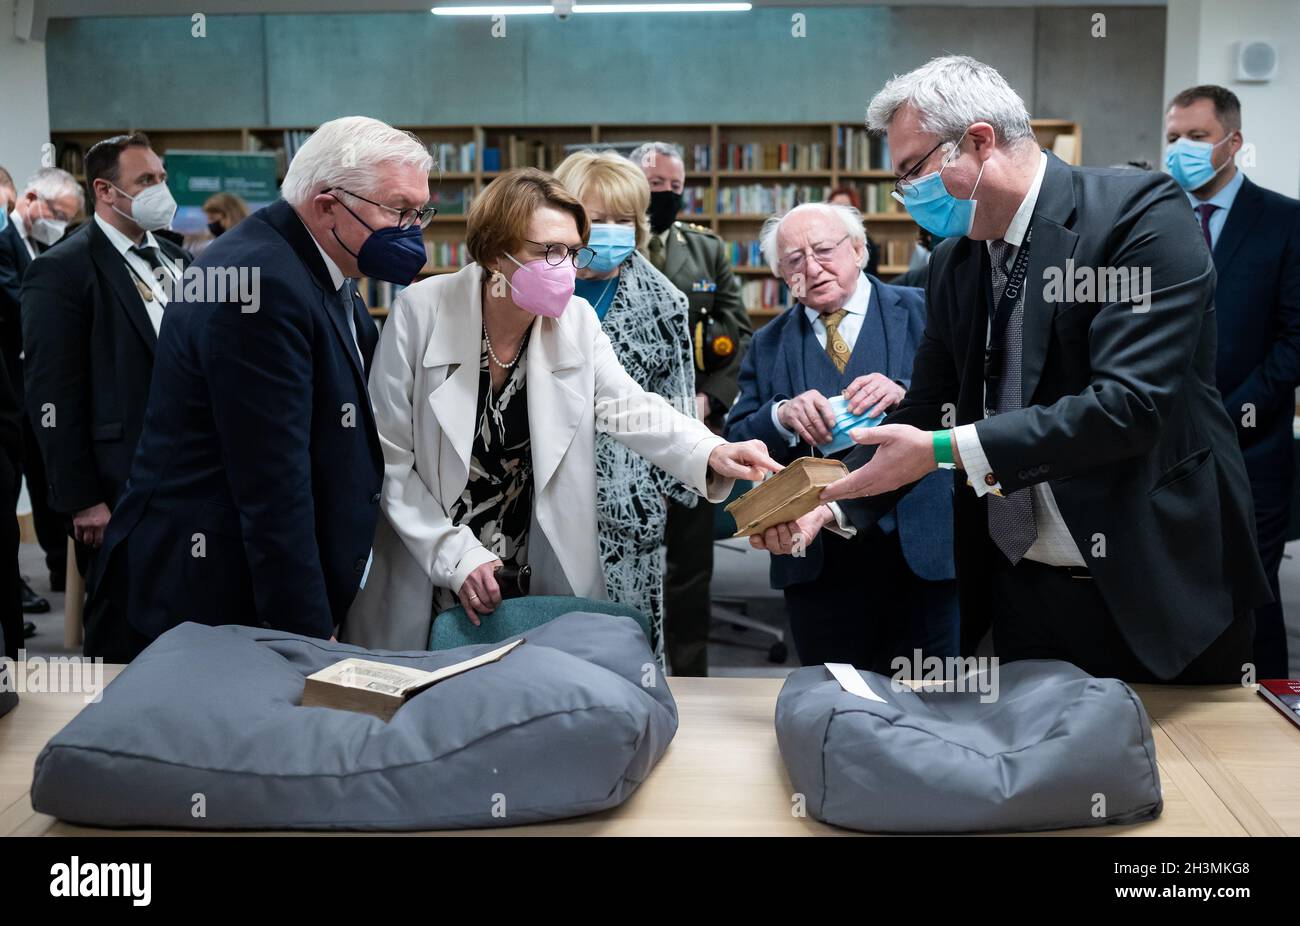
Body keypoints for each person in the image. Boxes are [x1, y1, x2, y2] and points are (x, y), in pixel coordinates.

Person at [753, 55, 1271, 684]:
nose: (905, 196)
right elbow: (922, 415)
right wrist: (828, 506)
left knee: (1186, 778)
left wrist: (943, 447)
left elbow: (1128, 407)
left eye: (912, 171)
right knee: (1037, 771)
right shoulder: (955, 262)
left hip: (1150, 583)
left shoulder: (1138, 216)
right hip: (1018, 589)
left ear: (977, 141)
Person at [344, 167, 779, 652]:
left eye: (572, 252)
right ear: (494, 252)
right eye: (547, 251)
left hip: (530, 552)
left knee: (532, 689)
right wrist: (453, 553)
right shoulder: (420, 312)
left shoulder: (575, 321)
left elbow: (631, 406)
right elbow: (389, 457)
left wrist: (712, 450)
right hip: (431, 552)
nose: (566, 268)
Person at [84, 116, 431, 662]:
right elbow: (272, 483)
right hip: (209, 595)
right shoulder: (261, 281)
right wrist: (307, 631)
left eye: (419, 212)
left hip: (238, 585)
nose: (412, 230)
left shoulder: (314, 263)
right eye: (396, 209)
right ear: (326, 203)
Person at [726, 202, 957, 671]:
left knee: (937, 704)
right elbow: (737, 441)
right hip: (817, 557)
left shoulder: (923, 312)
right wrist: (781, 416)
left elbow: (969, 400)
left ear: (858, 250)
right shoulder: (767, 343)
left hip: (921, 542)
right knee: (832, 699)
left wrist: (907, 391)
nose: (811, 267)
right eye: (793, 260)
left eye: (825, 250)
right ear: (781, 275)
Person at [22, 135, 190, 628]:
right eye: (145, 180)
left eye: (161, 178)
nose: (161, 188)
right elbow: (52, 394)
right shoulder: (62, 271)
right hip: (119, 481)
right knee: (125, 625)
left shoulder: (180, 261)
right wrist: (81, 498)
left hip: (191, 475)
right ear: (106, 190)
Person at [1165, 85, 1300, 680]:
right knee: (1179, 585)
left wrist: (1235, 412)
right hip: (1166, 444)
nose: (1181, 150)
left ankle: (1269, 702)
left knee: (1252, 588)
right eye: (1173, 137)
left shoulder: (1285, 221)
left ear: (1233, 143)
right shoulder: (1155, 215)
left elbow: (1295, 340)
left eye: (1196, 137)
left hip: (1253, 444)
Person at [554, 149, 697, 667]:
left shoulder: (664, 302)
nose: (612, 231)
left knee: (622, 649)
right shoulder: (532, 287)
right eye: (598, 219)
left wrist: (661, 492)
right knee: (545, 646)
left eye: (625, 219)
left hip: (625, 503)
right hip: (534, 494)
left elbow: (680, 403)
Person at [630, 141, 754, 677]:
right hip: (618, 430)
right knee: (620, 560)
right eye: (656, 186)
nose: (666, 196)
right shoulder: (599, 247)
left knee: (688, 569)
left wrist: (711, 397)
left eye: (675, 188)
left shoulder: (707, 251)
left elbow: (737, 331)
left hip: (696, 428)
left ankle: (688, 678)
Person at [1, 167, 82, 611]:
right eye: (55, 213)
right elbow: (20, 307)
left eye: (66, 219)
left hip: (38, 388)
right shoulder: (4, 242)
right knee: (10, 490)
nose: (58, 225)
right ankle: (12, 586)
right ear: (30, 199)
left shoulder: (41, 245)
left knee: (48, 479)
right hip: (12, 387)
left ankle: (52, 567)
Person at [827, 185, 881, 278]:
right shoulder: (822, 239)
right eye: (835, 207)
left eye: (845, 207)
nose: (840, 212)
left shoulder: (865, 242)